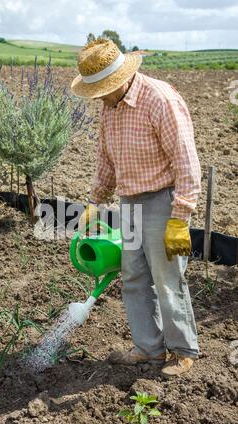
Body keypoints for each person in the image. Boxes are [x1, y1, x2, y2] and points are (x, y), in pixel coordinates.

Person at [71, 39, 201, 376]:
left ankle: (183, 351)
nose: (99, 97)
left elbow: (186, 163)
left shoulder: (160, 100)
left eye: (102, 89)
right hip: (128, 203)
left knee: (168, 279)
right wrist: (95, 201)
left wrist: (180, 217)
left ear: (120, 79)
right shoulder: (109, 108)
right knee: (133, 277)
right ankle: (149, 349)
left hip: (163, 201)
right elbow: (106, 160)